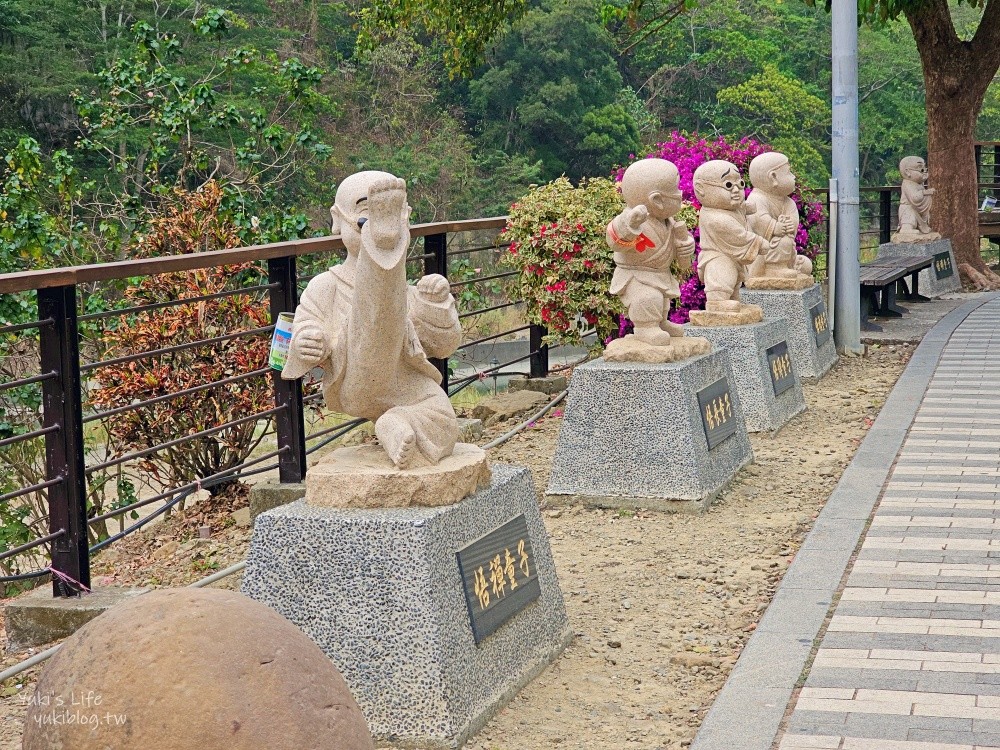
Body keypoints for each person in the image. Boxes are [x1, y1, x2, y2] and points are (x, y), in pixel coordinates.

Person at [282, 171, 461, 468]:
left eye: (391, 217)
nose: (375, 224)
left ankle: (396, 424)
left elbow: (444, 346)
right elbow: (305, 326)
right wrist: (308, 342)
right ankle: (383, 250)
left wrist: (436, 305)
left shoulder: (406, 292)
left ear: (406, 217)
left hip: (404, 383)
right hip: (356, 378)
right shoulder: (326, 286)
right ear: (337, 219)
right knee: (375, 313)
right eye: (366, 218)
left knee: (443, 418)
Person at [606, 158, 696, 346]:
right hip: (637, 274)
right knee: (647, 298)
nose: (681, 194)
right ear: (657, 200)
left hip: (660, 273)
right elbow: (614, 239)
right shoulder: (633, 219)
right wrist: (630, 224)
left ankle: (660, 323)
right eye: (676, 190)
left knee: (662, 301)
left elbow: (680, 251)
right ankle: (645, 328)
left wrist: (686, 245)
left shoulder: (668, 221)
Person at [694, 159, 779, 312]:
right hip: (717, 257)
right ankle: (716, 301)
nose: (736, 190)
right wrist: (759, 243)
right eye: (728, 185)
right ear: (701, 189)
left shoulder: (729, 209)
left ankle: (731, 298)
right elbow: (738, 236)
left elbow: (743, 209)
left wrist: (747, 207)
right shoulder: (716, 218)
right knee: (723, 274)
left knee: (734, 279)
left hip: (732, 257)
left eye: (740, 184)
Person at [745, 152, 813, 281]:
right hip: (763, 251)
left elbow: (793, 222)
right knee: (784, 241)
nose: (793, 177)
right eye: (789, 172)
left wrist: (788, 224)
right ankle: (774, 269)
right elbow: (757, 220)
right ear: (773, 177)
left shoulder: (788, 202)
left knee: (805, 265)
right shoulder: (756, 199)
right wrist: (775, 227)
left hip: (787, 251)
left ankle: (787, 265)